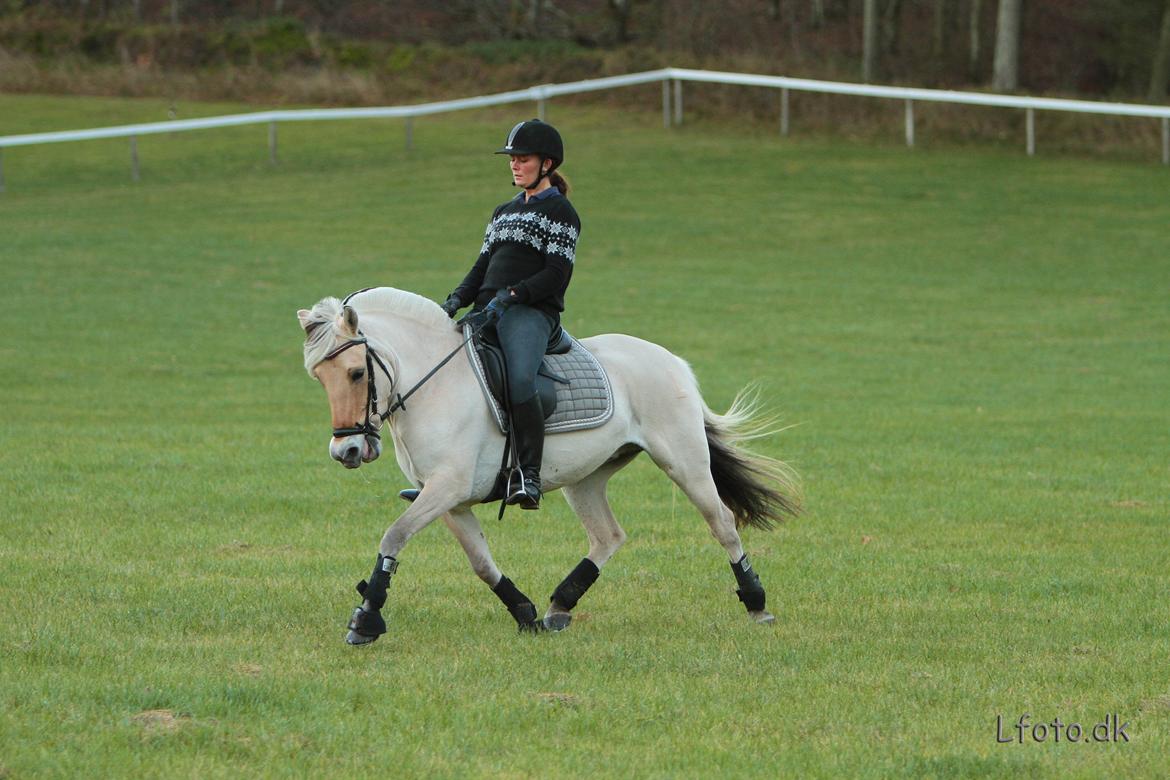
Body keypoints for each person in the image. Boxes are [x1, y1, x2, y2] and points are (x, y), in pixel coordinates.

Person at [438, 119, 581, 510]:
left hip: (530, 314)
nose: (515, 165)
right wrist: (455, 300)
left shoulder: (561, 212)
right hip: (488, 310)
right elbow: (482, 265)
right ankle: (445, 475)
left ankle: (528, 474)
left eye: (523, 158)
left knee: (520, 379)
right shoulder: (503, 212)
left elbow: (556, 273)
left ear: (547, 163)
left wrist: (513, 295)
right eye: (512, 159)